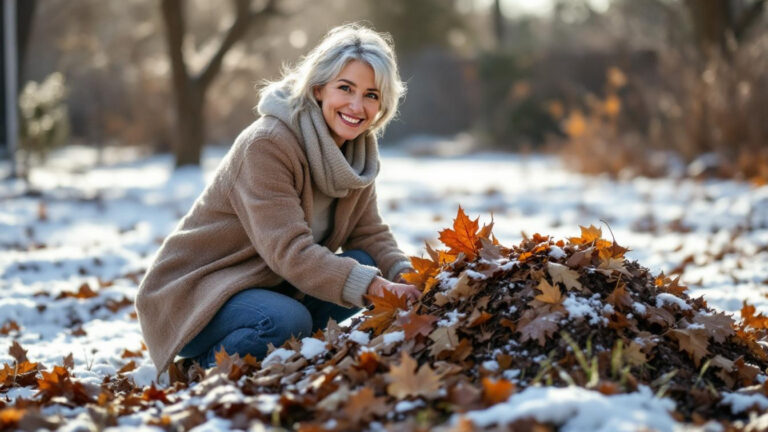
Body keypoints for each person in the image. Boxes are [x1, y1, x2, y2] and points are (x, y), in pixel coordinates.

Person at [136, 24, 421, 374]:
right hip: (195, 295)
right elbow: (290, 251)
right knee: (286, 320)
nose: (356, 105)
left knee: (364, 259)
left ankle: (285, 355)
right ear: (319, 89)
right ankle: (194, 369)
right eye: (345, 88)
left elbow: (370, 235)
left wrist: (409, 280)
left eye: (371, 95)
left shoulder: (356, 155)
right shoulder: (268, 144)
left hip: (270, 286)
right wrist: (377, 286)